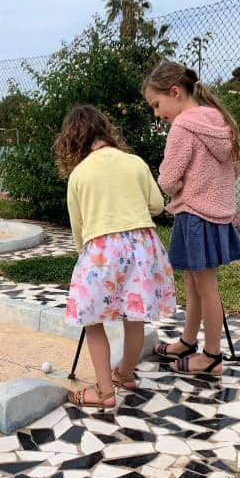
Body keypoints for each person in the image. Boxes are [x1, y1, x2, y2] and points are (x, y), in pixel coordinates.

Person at [54, 104, 176, 410]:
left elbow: (78, 229)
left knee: (92, 321)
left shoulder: (79, 175)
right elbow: (157, 206)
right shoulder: (134, 163)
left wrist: (85, 257)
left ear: (73, 139)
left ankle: (105, 392)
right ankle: (125, 374)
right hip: (141, 246)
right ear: (106, 130)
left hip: (101, 251)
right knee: (133, 316)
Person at [143, 60, 240, 377]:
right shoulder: (218, 121)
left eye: (157, 104)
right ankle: (188, 341)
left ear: (175, 92)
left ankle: (211, 356)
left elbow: (168, 180)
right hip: (215, 215)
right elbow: (233, 169)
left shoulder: (184, 127)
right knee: (194, 282)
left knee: (205, 287)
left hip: (195, 215)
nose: (157, 113)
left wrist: (174, 183)